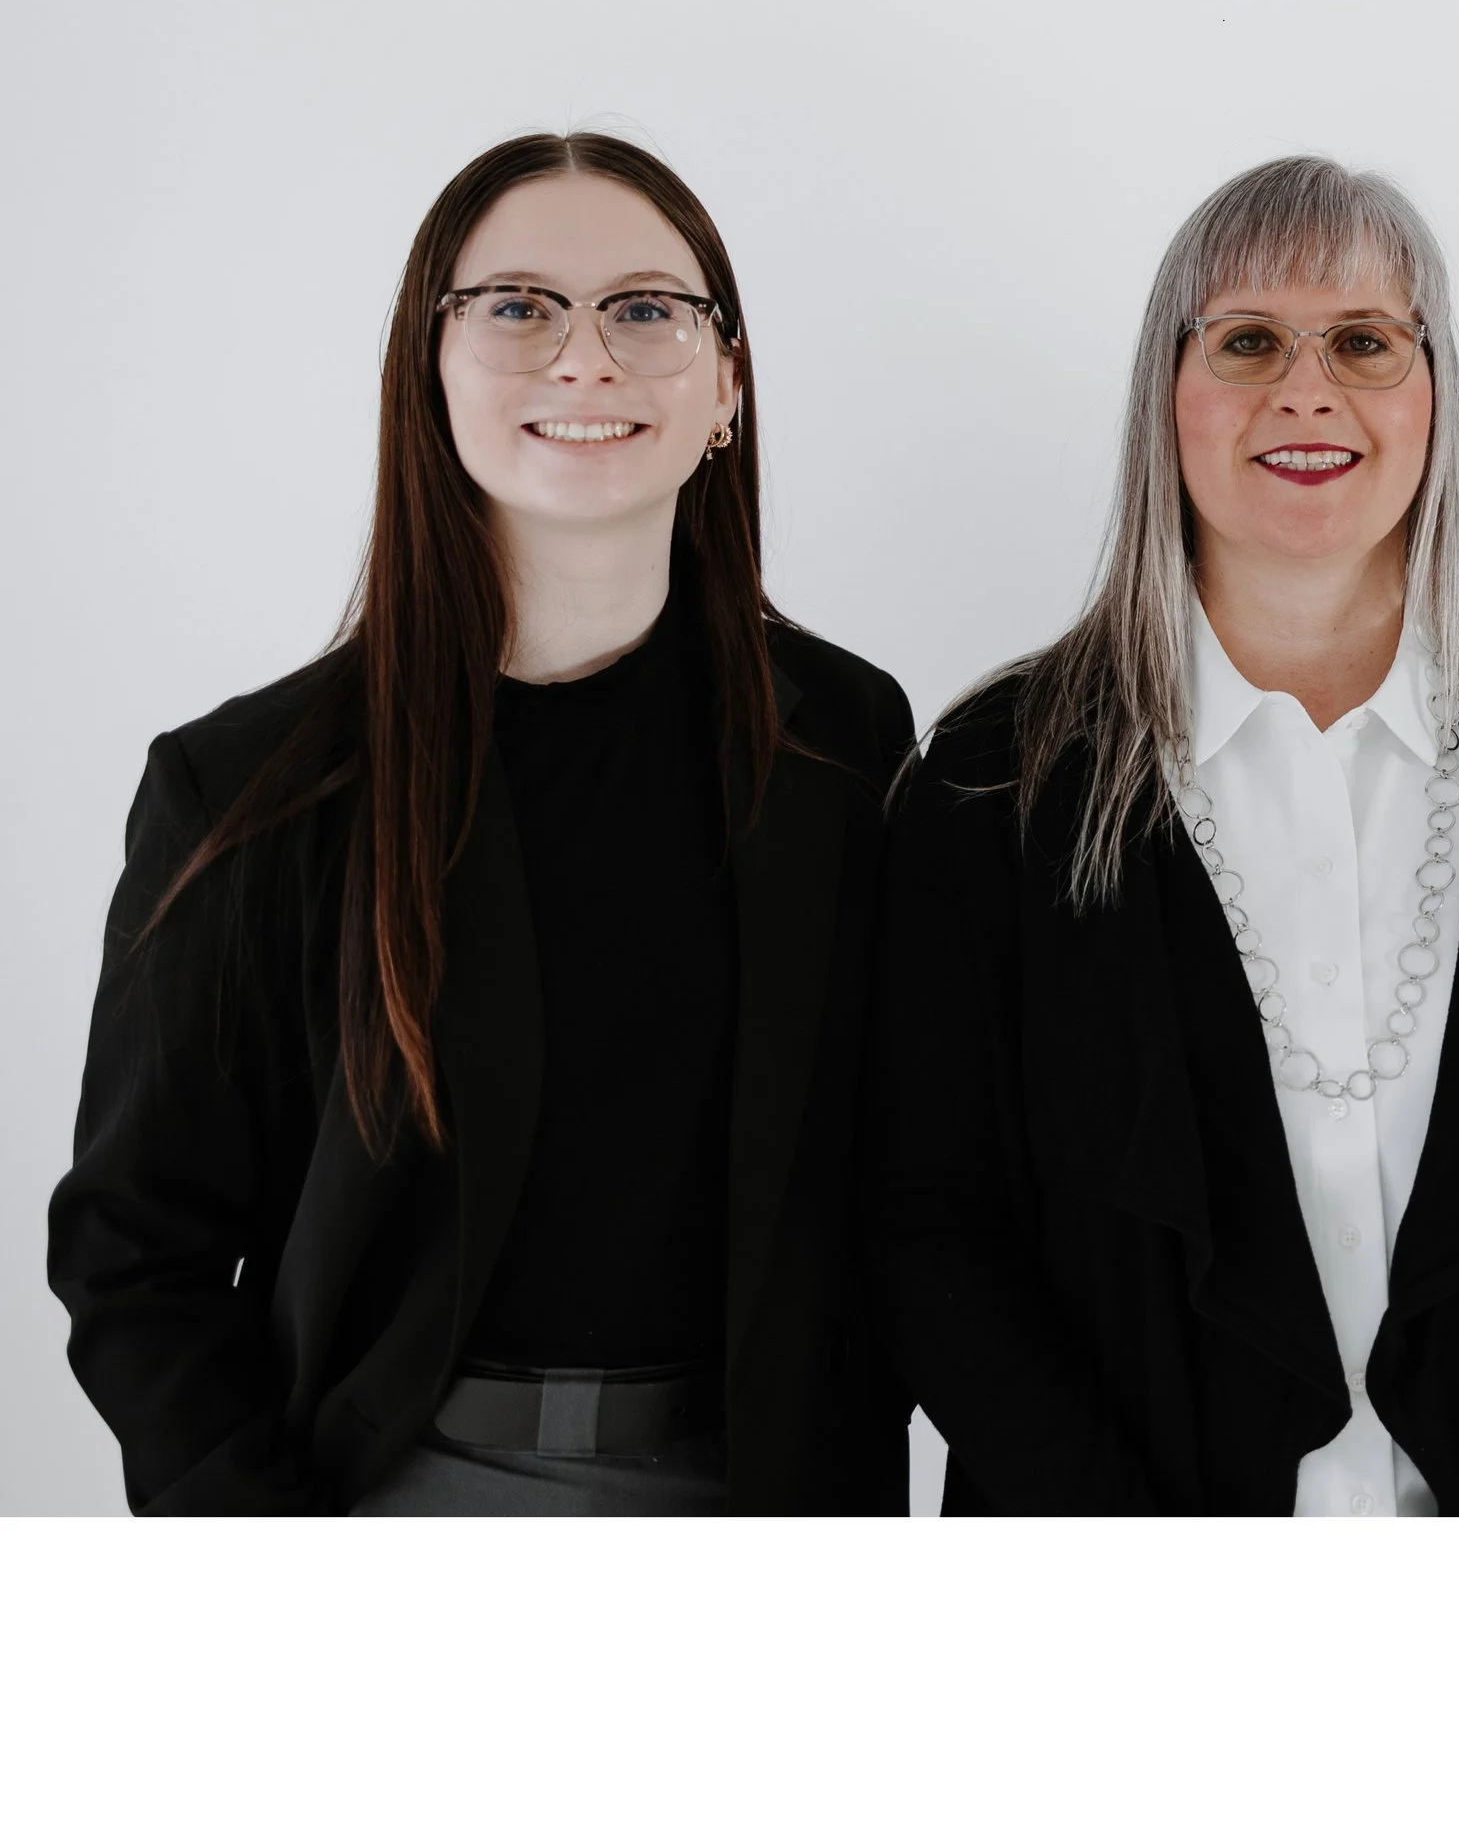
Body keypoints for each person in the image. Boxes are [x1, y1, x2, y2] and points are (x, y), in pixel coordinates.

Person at [872, 155, 1459, 1514]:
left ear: (1434, 397)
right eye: (1247, 341)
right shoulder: (997, 779)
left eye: (1363, 341)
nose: (1307, 389)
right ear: (1166, 399)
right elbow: (929, 1224)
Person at [50, 132, 913, 1514]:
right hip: (386, 1494)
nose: (584, 358)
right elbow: (130, 1249)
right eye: (515, 305)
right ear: (429, 367)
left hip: (768, 1493)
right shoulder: (252, 784)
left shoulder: (848, 743)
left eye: (646, 307)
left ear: (728, 384)